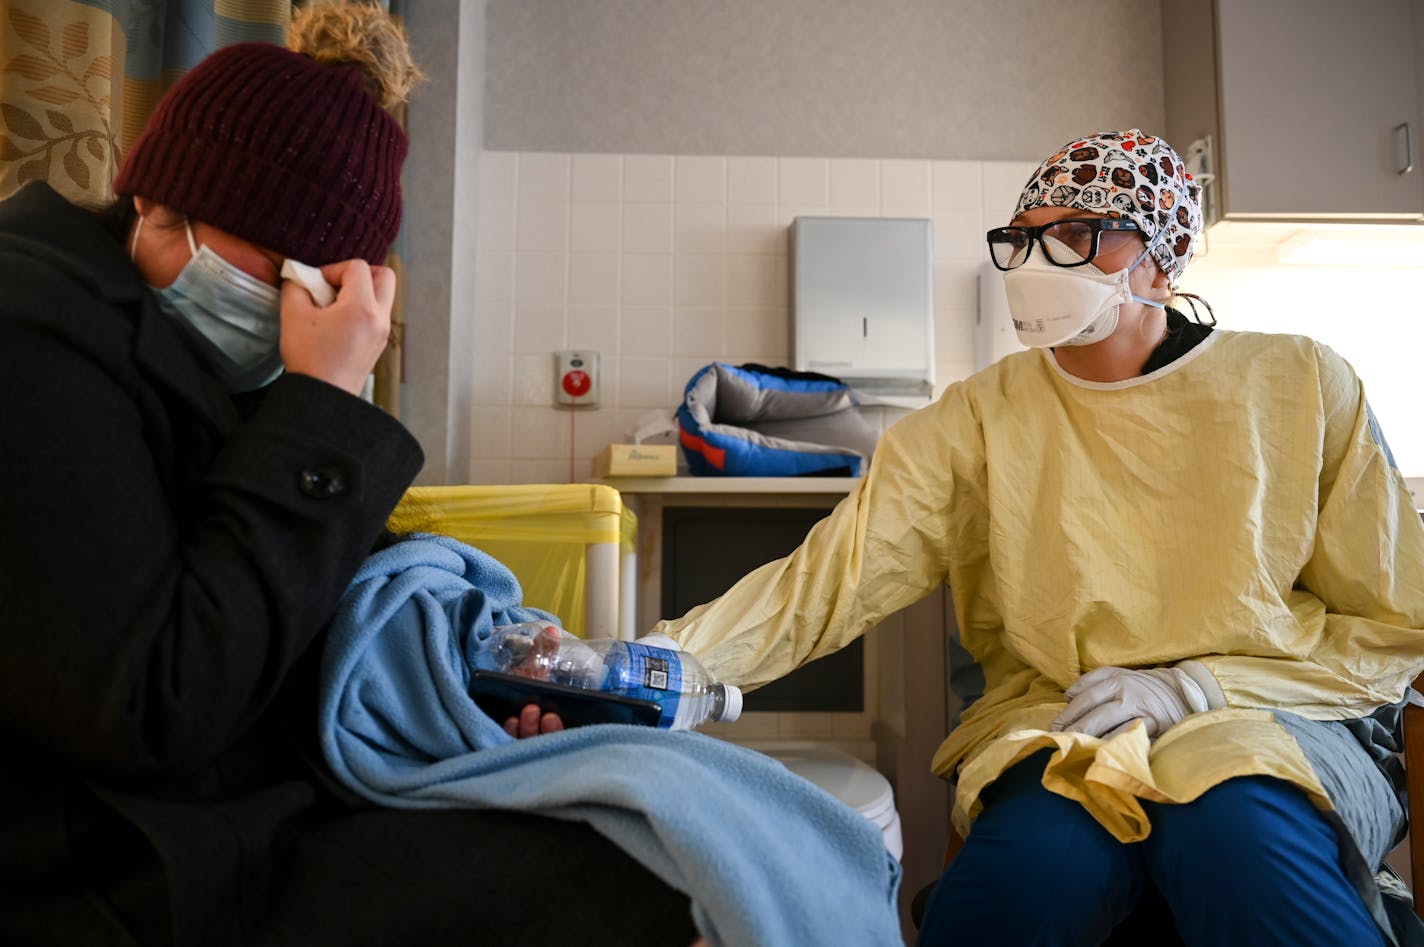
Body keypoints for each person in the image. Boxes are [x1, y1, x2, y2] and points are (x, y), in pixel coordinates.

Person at [0, 5, 698, 944]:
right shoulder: (31, 333)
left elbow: (313, 619)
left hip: (239, 808)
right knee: (630, 895)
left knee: (651, 845)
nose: (321, 307)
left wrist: (472, 700)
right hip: (99, 857)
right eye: (312, 275)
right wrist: (322, 401)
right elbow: (152, 709)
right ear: (182, 202)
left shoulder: (201, 356)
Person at [653, 129, 1424, 946]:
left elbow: (1389, 620)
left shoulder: (1300, 385)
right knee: (1030, 878)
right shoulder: (976, 418)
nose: (1037, 261)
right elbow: (831, 578)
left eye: (1076, 234)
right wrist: (656, 665)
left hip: (1273, 721)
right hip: (1065, 722)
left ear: (1160, 262)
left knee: (1239, 839)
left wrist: (1194, 688)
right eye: (1025, 237)